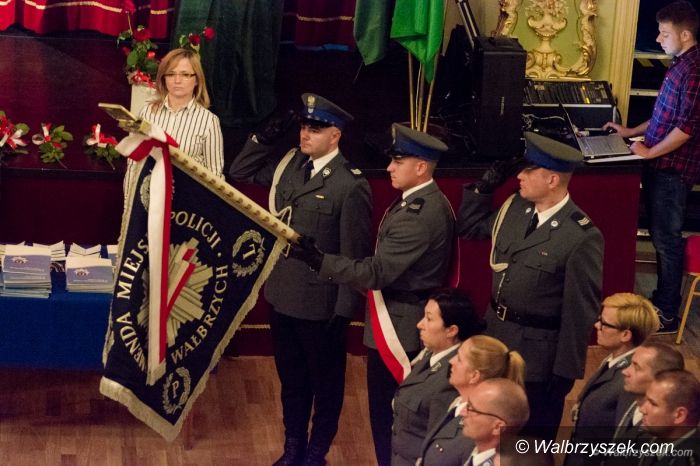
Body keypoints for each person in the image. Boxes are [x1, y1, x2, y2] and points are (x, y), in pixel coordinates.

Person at [292, 123, 454, 466]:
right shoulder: (416, 202)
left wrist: (321, 261)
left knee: (391, 418)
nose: (389, 167)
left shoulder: (419, 215)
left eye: (398, 162)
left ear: (421, 167)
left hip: (401, 326)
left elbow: (377, 272)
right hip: (398, 315)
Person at [229, 94, 372, 466]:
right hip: (282, 294)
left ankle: (316, 452)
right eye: (304, 126)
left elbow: (353, 254)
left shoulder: (349, 185)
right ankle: (293, 446)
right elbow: (241, 170)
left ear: (335, 135)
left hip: (321, 304)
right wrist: (263, 139)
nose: (305, 134)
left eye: (316, 129)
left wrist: (344, 311)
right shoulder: (290, 165)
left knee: (325, 386)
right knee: (292, 381)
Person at [457, 131, 603, 440]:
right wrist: (484, 188)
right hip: (496, 338)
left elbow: (580, 311)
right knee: (489, 429)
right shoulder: (515, 209)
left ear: (552, 179)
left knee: (529, 442)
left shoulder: (581, 237)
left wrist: (565, 371)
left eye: (529, 171)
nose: (519, 176)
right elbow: (470, 229)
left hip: (537, 357)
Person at [603, 1, 700, 334]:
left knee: (666, 241)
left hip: (672, 170)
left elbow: (686, 128)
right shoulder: (680, 64)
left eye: (664, 33)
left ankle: (667, 313)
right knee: (662, 238)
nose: (658, 39)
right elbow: (663, 116)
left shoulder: (694, 71)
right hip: (660, 163)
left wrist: (649, 152)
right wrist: (630, 132)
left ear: (685, 35)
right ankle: (661, 302)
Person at [564, 293, 660, 466]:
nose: (596, 325)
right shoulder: (615, 361)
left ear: (625, 335)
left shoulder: (630, 380)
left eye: (604, 324)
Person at [391, 288, 484, 466]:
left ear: (451, 330)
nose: (420, 324)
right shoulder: (432, 355)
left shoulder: (452, 378)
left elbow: (438, 447)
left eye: (429, 318)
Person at [124, 47, 224, 196]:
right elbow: (134, 162)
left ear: (197, 79)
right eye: (171, 74)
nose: (177, 81)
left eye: (185, 74)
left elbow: (215, 177)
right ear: (163, 78)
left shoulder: (209, 121)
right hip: (148, 198)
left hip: (187, 203)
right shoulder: (147, 113)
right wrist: (129, 202)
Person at [417, 335, 525, 466]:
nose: (451, 361)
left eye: (459, 359)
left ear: (474, 376)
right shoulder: (455, 403)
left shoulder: (478, 430)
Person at [613, 342, 685, 443]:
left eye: (636, 368)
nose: (625, 371)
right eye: (630, 364)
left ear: (661, 378)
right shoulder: (627, 394)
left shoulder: (660, 429)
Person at [458, 378, 530, 466]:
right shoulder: (470, 452)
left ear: (497, 427)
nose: (462, 412)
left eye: (471, 409)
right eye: (467, 404)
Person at [638, 370, 700, 466]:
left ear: (679, 415)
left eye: (653, 404)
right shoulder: (648, 437)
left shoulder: (690, 460)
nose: (642, 409)